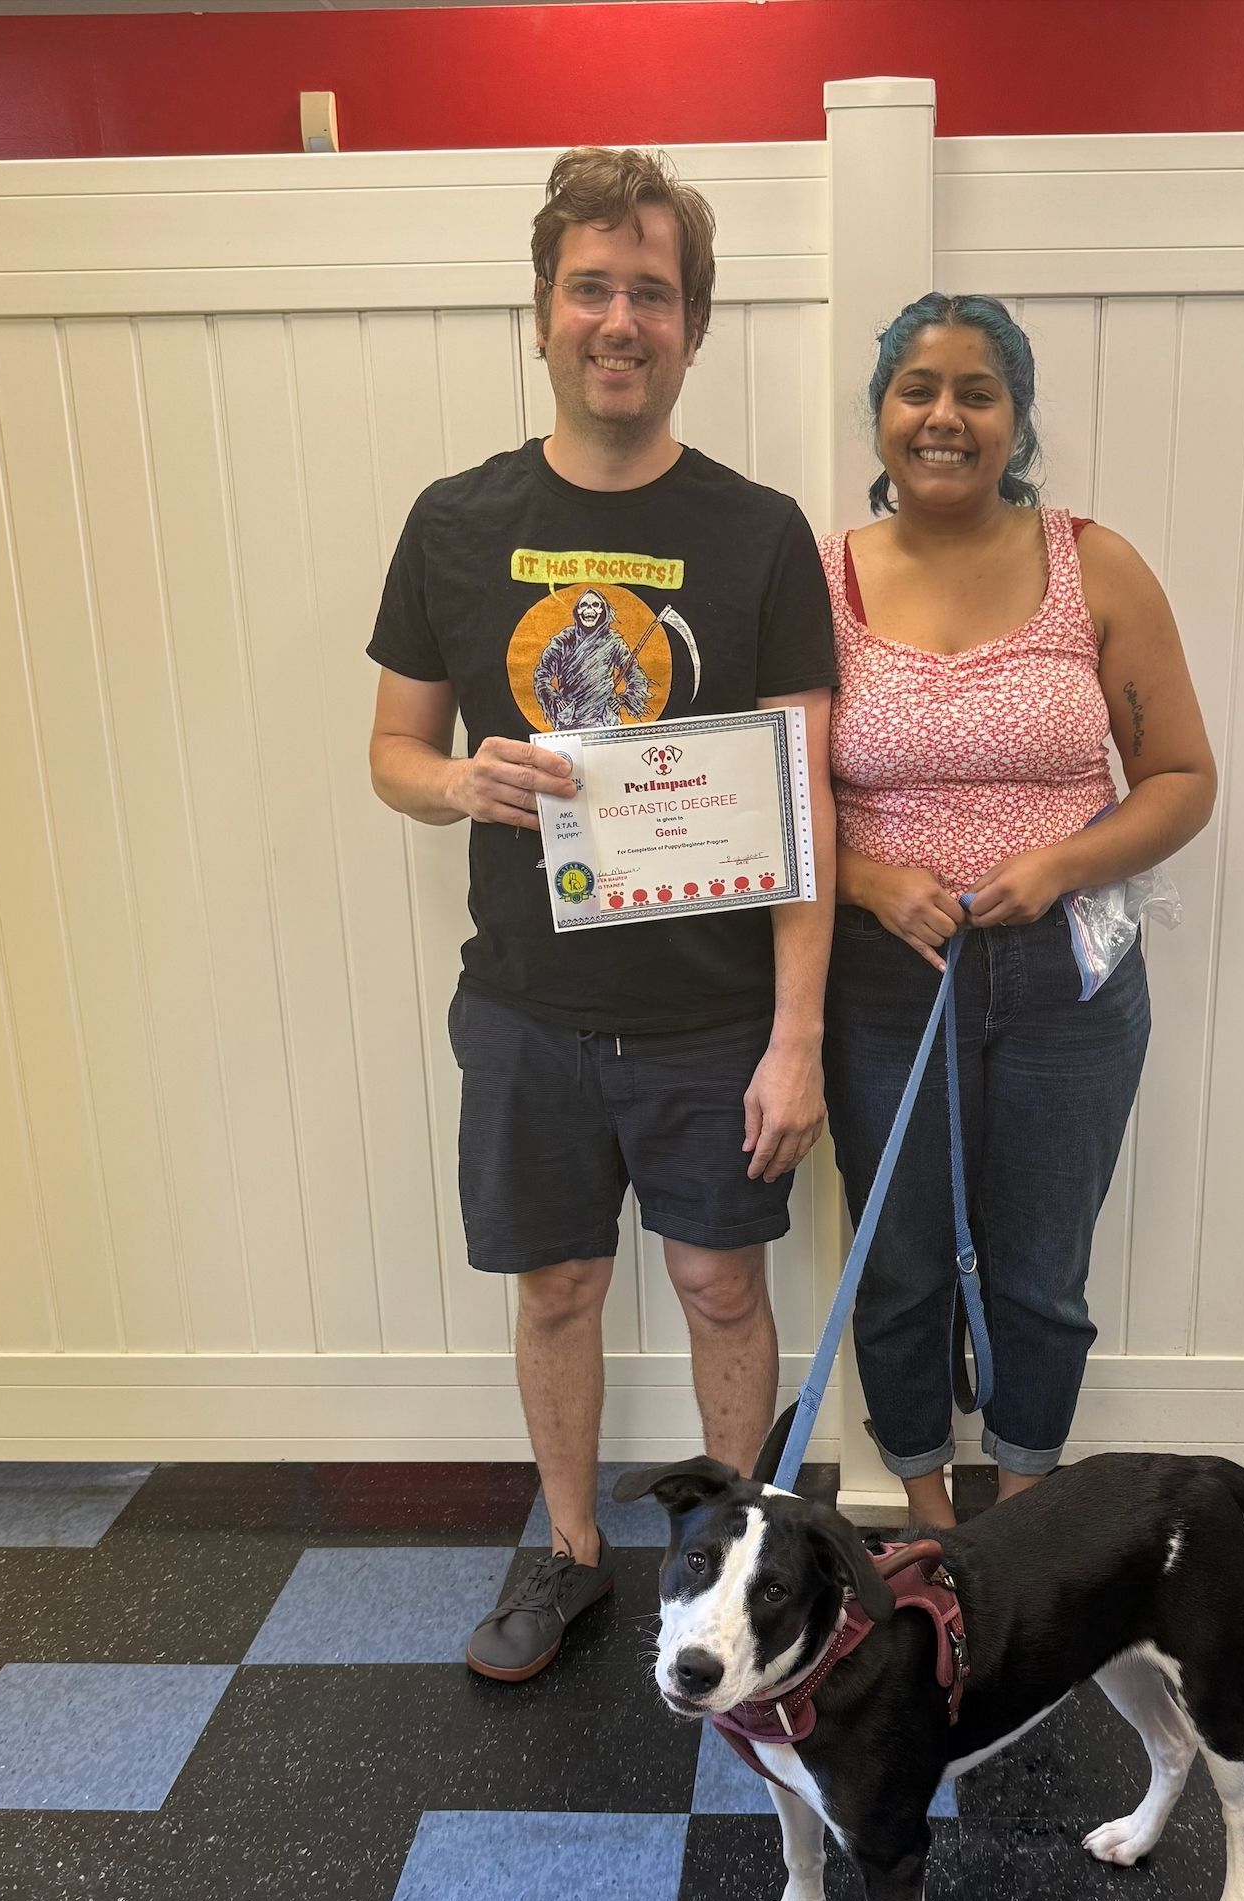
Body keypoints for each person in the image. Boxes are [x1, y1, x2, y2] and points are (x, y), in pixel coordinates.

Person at [368, 149, 837, 1681]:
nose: (618, 318)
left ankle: (740, 1583)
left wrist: (798, 1037)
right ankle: (567, 1556)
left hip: (710, 1017)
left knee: (719, 1286)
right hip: (526, 1008)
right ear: (542, 313)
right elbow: (393, 752)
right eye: (591, 287)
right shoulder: (453, 519)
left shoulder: (762, 533)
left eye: (651, 291)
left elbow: (802, 802)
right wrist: (461, 788)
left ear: (692, 326)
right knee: (557, 1284)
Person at [820, 292, 1217, 1533]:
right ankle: (931, 1523)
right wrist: (870, 880)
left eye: (975, 392)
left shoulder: (1092, 564)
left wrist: (1061, 863)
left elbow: (1183, 780)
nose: (943, 416)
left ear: (1016, 418)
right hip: (884, 979)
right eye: (916, 390)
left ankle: (1026, 1519)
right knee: (900, 1269)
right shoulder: (820, 578)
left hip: (1068, 979)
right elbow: (763, 801)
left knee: (1043, 1270)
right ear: (881, 414)